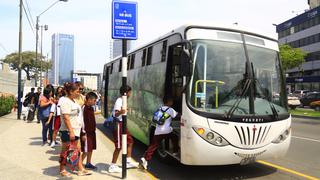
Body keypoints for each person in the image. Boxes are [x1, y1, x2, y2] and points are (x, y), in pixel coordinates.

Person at [59, 82, 91, 177]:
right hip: (67, 131)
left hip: (76, 130)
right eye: (77, 91)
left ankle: (80, 168)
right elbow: (66, 117)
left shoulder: (74, 101)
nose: (79, 93)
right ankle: (62, 169)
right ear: (71, 91)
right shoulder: (65, 101)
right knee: (65, 151)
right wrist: (71, 131)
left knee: (77, 150)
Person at [140, 96, 179, 170]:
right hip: (167, 131)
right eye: (171, 101)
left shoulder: (160, 108)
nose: (172, 102)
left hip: (157, 131)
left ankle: (145, 159)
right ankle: (175, 152)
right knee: (175, 137)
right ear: (168, 102)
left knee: (153, 146)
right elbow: (177, 115)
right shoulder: (171, 110)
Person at [108, 85, 138, 173]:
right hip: (118, 124)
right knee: (118, 146)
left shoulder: (123, 100)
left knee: (130, 141)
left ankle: (128, 161)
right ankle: (112, 165)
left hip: (122, 124)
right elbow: (116, 114)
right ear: (126, 93)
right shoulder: (119, 100)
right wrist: (122, 111)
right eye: (129, 92)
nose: (130, 94)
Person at [80, 92, 98, 170]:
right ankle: (78, 164)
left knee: (91, 148)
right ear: (89, 100)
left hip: (92, 132)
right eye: (94, 100)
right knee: (86, 150)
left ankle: (88, 163)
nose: (95, 102)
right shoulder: (84, 108)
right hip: (86, 132)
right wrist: (83, 133)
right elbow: (82, 121)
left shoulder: (91, 108)